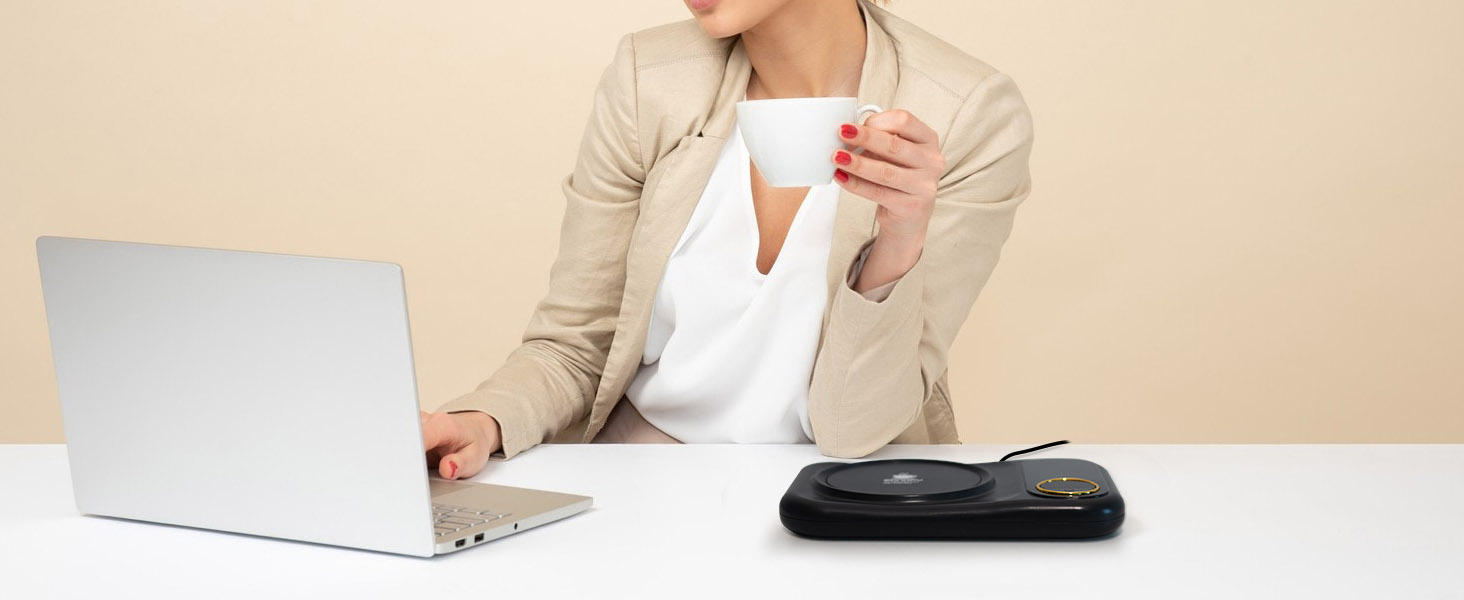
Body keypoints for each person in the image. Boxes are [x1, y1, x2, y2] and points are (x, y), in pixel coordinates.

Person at [421, 0, 1033, 480]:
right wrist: (481, 421)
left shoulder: (965, 115)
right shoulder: (649, 80)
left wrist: (899, 240)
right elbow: (575, 345)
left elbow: (855, 430)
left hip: (841, 497)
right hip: (640, 488)